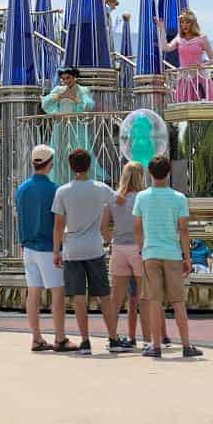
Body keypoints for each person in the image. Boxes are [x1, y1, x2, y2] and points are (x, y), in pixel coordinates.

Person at [133, 155, 203, 359]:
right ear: (169, 173)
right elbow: (183, 229)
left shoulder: (142, 197)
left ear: (149, 173)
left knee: (155, 301)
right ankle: (186, 345)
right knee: (178, 301)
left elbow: (137, 226)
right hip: (172, 254)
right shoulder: (179, 198)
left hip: (150, 253)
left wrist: (141, 248)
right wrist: (187, 257)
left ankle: (155, 346)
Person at [52, 149, 120, 355]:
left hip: (73, 249)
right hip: (94, 248)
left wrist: (57, 250)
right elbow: (121, 201)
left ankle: (85, 340)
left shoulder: (63, 192)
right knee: (104, 295)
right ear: (90, 165)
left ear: (71, 167)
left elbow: (58, 225)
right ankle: (113, 338)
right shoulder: (100, 188)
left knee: (79, 296)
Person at [15, 145, 73, 352]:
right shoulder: (55, 189)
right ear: (50, 164)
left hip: (28, 247)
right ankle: (60, 337)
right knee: (57, 292)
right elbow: (59, 221)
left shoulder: (22, 189)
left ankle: (36, 337)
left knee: (33, 293)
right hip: (48, 247)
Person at [101, 161, 147, 352]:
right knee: (142, 296)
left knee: (116, 298)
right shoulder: (143, 198)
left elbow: (103, 228)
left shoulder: (113, 199)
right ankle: (147, 339)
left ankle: (113, 338)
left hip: (119, 248)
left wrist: (113, 240)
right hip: (138, 248)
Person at [41, 67, 106, 184]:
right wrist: (60, 96)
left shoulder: (82, 90)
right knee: (60, 152)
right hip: (60, 126)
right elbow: (46, 103)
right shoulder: (58, 89)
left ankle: (85, 180)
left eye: (68, 78)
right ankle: (61, 181)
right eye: (63, 79)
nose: (66, 81)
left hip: (76, 125)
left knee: (80, 149)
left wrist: (75, 99)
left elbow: (88, 105)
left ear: (74, 77)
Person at [157, 10, 213, 103]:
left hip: (200, 78)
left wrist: (201, 66)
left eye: (187, 22)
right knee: (183, 106)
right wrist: (162, 29)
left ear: (193, 24)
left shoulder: (202, 38)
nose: (184, 25)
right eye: (182, 22)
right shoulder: (179, 38)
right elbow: (166, 48)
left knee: (203, 107)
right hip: (184, 78)